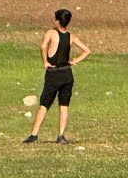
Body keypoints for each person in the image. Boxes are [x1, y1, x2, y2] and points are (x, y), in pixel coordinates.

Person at [24, 8, 90, 144]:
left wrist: (45, 62)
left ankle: (34, 134)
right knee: (64, 105)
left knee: (44, 104)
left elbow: (43, 46)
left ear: (57, 21)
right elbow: (87, 51)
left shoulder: (51, 33)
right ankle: (61, 135)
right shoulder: (71, 36)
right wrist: (74, 61)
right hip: (67, 74)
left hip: (53, 74)